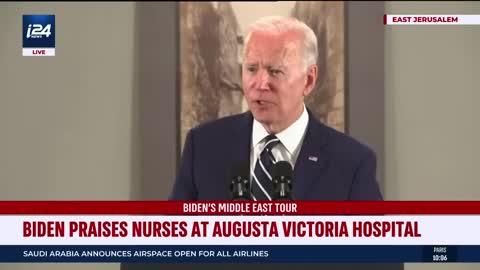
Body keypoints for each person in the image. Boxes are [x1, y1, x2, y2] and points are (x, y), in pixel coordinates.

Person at [169, 16, 382, 201]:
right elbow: (173, 242)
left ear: (308, 80)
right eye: (251, 69)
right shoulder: (204, 146)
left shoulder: (352, 163)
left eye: (275, 71)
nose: (260, 84)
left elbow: (373, 249)